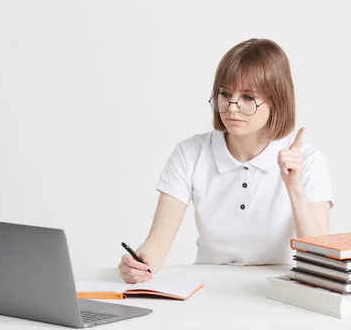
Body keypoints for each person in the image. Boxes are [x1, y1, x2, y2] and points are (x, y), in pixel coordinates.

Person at [119, 38, 334, 283]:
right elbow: (157, 245)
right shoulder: (191, 152)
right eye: (225, 94)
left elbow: (322, 262)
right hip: (209, 289)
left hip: (280, 290)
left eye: (248, 98)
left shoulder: (308, 161)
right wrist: (140, 263)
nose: (232, 108)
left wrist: (294, 188)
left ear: (276, 101)